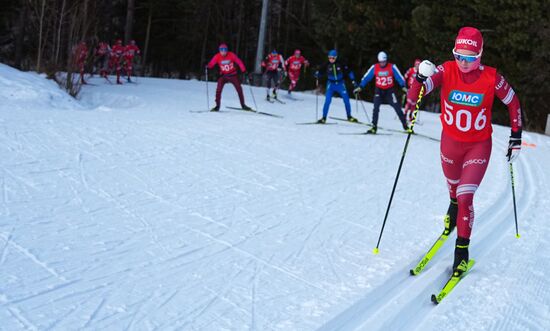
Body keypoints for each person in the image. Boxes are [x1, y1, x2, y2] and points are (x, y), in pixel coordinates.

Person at [406, 27, 523, 276]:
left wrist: (516, 136)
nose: (463, 62)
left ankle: (461, 253)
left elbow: (513, 102)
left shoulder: (492, 77)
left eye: (469, 57)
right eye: (459, 55)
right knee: (453, 190)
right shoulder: (446, 70)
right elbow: (416, 96)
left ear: (480, 55)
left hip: (478, 145)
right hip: (450, 143)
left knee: (465, 196)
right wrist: (418, 79)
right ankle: (452, 207)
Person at [354, 51, 410, 133]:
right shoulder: (375, 67)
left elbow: (399, 77)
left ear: (386, 60)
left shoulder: (392, 67)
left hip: (389, 91)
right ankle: (374, 127)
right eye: (381, 62)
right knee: (376, 108)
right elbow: (367, 77)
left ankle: (405, 127)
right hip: (379, 91)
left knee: (397, 107)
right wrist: (360, 86)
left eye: (384, 62)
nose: (382, 64)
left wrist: (403, 86)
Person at [314, 49, 358, 124]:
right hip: (331, 85)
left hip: (340, 84)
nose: (331, 59)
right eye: (329, 58)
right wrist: (317, 74)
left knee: (346, 100)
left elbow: (349, 71)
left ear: (336, 57)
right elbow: (320, 72)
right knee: (327, 101)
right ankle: (323, 118)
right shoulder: (326, 64)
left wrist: (353, 80)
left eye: (333, 58)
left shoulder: (341, 63)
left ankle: (349, 116)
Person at [206, 43, 251, 111]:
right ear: (219, 50)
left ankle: (243, 105)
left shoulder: (231, 55)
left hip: (233, 75)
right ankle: (217, 106)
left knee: (239, 89)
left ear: (227, 50)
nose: (223, 52)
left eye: (225, 50)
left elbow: (239, 62)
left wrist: (244, 70)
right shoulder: (217, 56)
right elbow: (211, 63)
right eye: (222, 50)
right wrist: (208, 66)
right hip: (223, 76)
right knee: (218, 90)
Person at [403, 59, 421, 123]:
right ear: (415, 64)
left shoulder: (420, 72)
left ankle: (410, 114)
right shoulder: (411, 70)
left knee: (414, 104)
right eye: (417, 64)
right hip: (410, 88)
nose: (417, 66)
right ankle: (405, 114)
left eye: (419, 64)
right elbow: (405, 76)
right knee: (409, 102)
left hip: (416, 89)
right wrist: (404, 85)